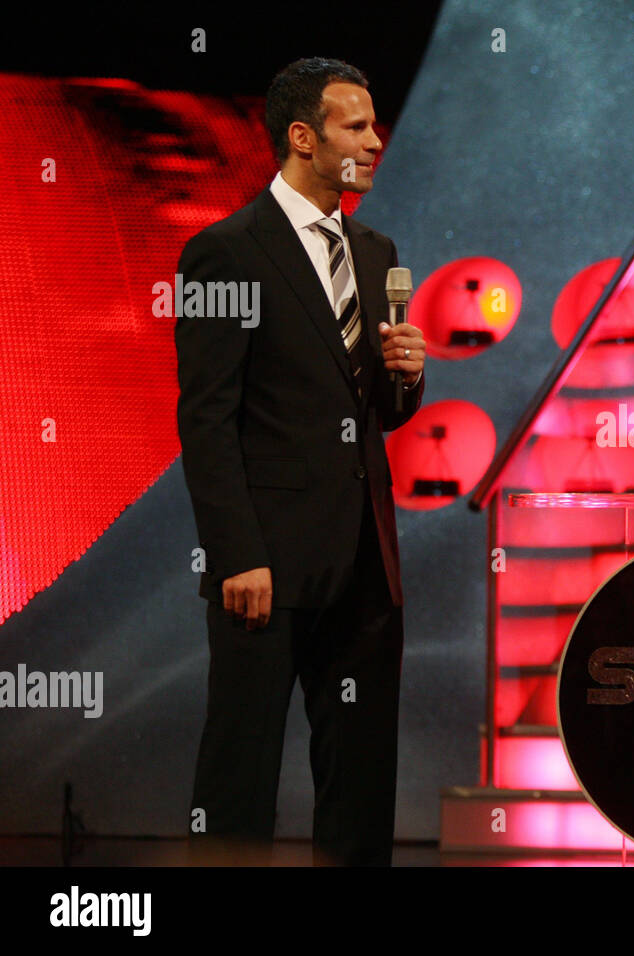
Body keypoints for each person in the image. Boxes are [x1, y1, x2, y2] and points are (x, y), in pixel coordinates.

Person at [174, 57, 426, 866]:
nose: (376, 141)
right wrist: (237, 554)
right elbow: (206, 419)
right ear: (302, 136)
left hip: (362, 562)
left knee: (359, 779)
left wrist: (408, 377)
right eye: (357, 126)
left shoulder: (375, 246)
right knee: (240, 771)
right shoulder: (224, 251)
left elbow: (378, 414)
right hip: (267, 568)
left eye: (376, 124)